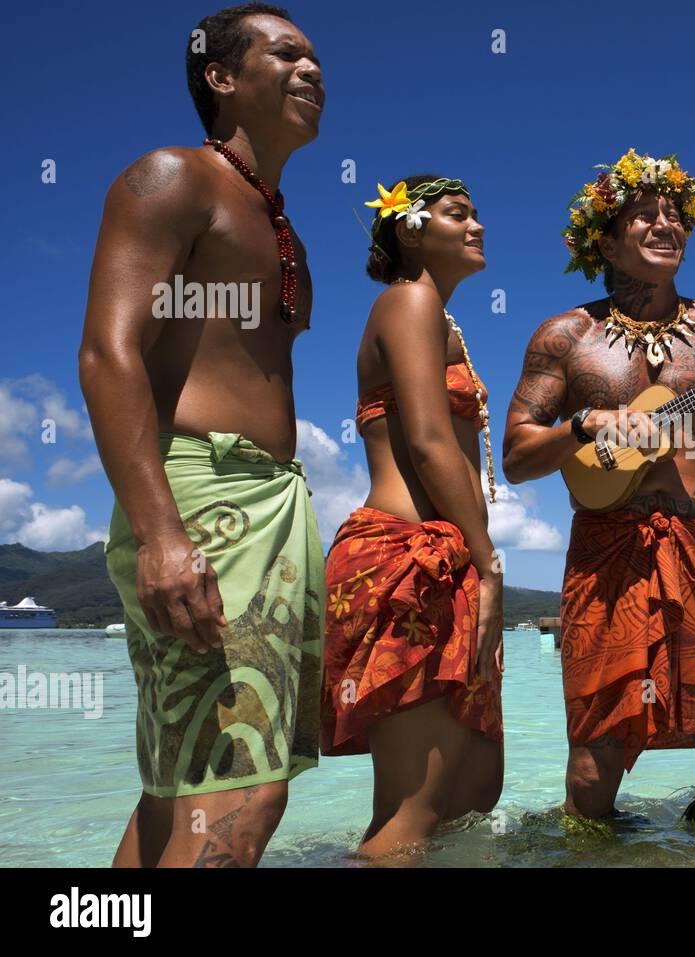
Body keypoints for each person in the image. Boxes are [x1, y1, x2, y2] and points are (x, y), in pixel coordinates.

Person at [79, 3, 325, 867]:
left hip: (265, 506)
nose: (311, 71)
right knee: (241, 790)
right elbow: (109, 354)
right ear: (220, 78)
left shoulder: (279, 220)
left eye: (315, 60)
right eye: (286, 54)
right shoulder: (172, 177)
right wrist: (159, 532)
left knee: (183, 789)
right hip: (202, 499)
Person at [502, 149, 695, 819]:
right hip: (606, 552)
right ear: (603, 238)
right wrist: (580, 427)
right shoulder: (567, 336)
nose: (667, 225)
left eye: (676, 215)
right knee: (594, 759)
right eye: (644, 215)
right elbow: (516, 457)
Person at [319, 175, 504, 857]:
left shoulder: (439, 317)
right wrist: (490, 562)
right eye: (458, 213)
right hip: (406, 559)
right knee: (414, 813)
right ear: (409, 227)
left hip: (442, 558)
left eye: (477, 212)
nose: (477, 224)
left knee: (468, 797)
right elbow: (427, 441)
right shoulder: (409, 300)